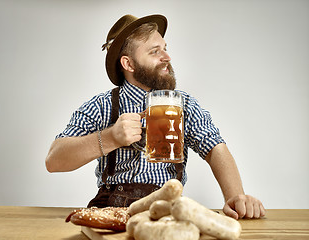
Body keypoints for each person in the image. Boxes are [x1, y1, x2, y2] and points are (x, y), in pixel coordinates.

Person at [45, 14, 265, 219]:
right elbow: (54, 160)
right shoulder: (102, 105)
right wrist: (110, 138)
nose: (167, 57)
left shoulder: (184, 104)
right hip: (112, 209)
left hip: (168, 209)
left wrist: (235, 197)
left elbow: (215, 148)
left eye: (165, 48)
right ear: (128, 64)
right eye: (154, 51)